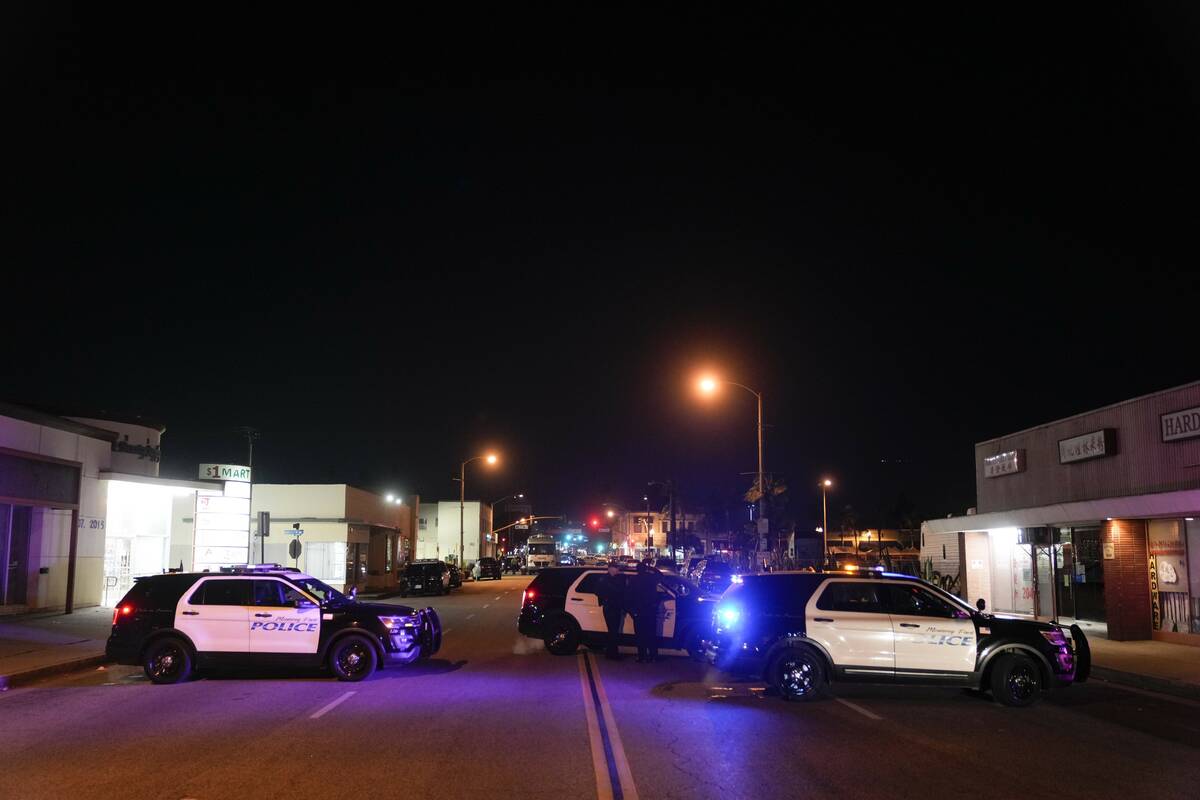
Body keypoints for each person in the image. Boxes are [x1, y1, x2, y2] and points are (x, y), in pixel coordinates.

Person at [629, 561, 661, 662]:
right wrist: (651, 568)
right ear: (645, 569)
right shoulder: (651, 578)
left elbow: (629, 595)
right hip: (650, 610)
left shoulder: (633, 579)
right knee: (651, 634)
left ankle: (641, 656)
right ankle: (653, 656)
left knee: (640, 635)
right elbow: (661, 575)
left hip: (638, 611)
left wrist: (632, 611)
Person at [595, 563, 627, 660]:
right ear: (611, 569)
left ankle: (610, 653)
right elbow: (598, 591)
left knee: (613, 631)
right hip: (610, 607)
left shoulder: (613, 578)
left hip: (613, 606)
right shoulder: (605, 579)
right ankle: (613, 654)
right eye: (616, 568)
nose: (618, 570)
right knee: (613, 630)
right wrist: (605, 598)